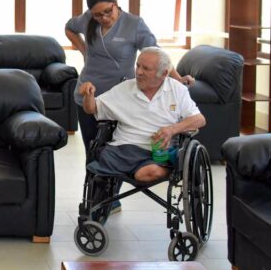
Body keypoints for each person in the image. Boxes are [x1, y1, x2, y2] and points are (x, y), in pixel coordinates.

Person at [66, 0, 195, 152]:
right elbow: (69, 28)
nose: (104, 17)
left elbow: (156, 54)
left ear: (115, 4)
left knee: (116, 148)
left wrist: (178, 78)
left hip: (120, 98)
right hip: (88, 94)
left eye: (108, 11)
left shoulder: (134, 24)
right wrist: (84, 51)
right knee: (92, 149)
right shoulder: (87, 19)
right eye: (97, 15)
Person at [79, 47, 206, 183]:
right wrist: (88, 95)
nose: (139, 72)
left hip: (159, 151)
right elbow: (91, 109)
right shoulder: (125, 88)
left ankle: (166, 169)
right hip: (124, 149)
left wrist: (172, 130)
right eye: (138, 66)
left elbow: (199, 120)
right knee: (100, 169)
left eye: (146, 68)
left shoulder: (177, 89)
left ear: (164, 73)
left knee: (147, 173)